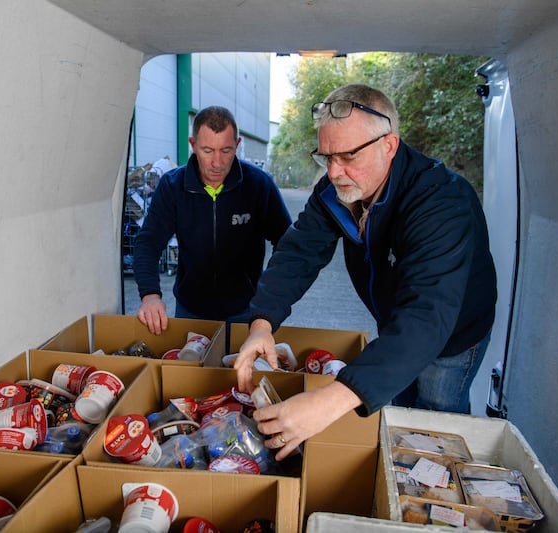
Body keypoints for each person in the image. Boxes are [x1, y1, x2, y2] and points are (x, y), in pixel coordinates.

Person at [233, 84, 497, 460]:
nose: (334, 172)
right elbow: (299, 252)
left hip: (453, 335)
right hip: (397, 326)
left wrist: (329, 401)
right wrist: (262, 322)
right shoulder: (338, 189)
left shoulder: (442, 202)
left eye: (347, 156)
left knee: (437, 424)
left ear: (388, 145)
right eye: (326, 157)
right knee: (399, 407)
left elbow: (426, 319)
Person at [132, 106, 292, 335]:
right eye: (207, 150)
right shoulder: (172, 186)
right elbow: (148, 242)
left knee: (242, 370)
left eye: (226, 150)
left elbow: (286, 244)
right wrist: (150, 295)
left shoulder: (259, 185)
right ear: (193, 145)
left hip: (247, 309)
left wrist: (270, 293)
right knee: (192, 370)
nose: (217, 162)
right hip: (191, 310)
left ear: (237, 145)